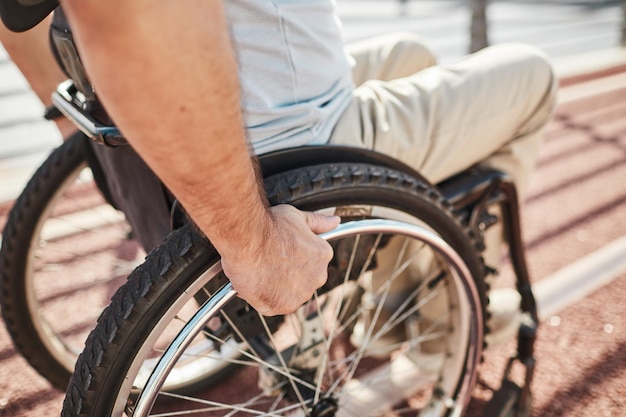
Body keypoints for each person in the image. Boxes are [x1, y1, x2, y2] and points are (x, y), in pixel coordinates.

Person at [0, 0, 557, 329]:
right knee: (533, 74)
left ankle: (402, 291)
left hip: (266, 110)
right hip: (298, 147)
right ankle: (432, 323)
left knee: (409, 53)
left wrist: (92, 137)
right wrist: (252, 243)